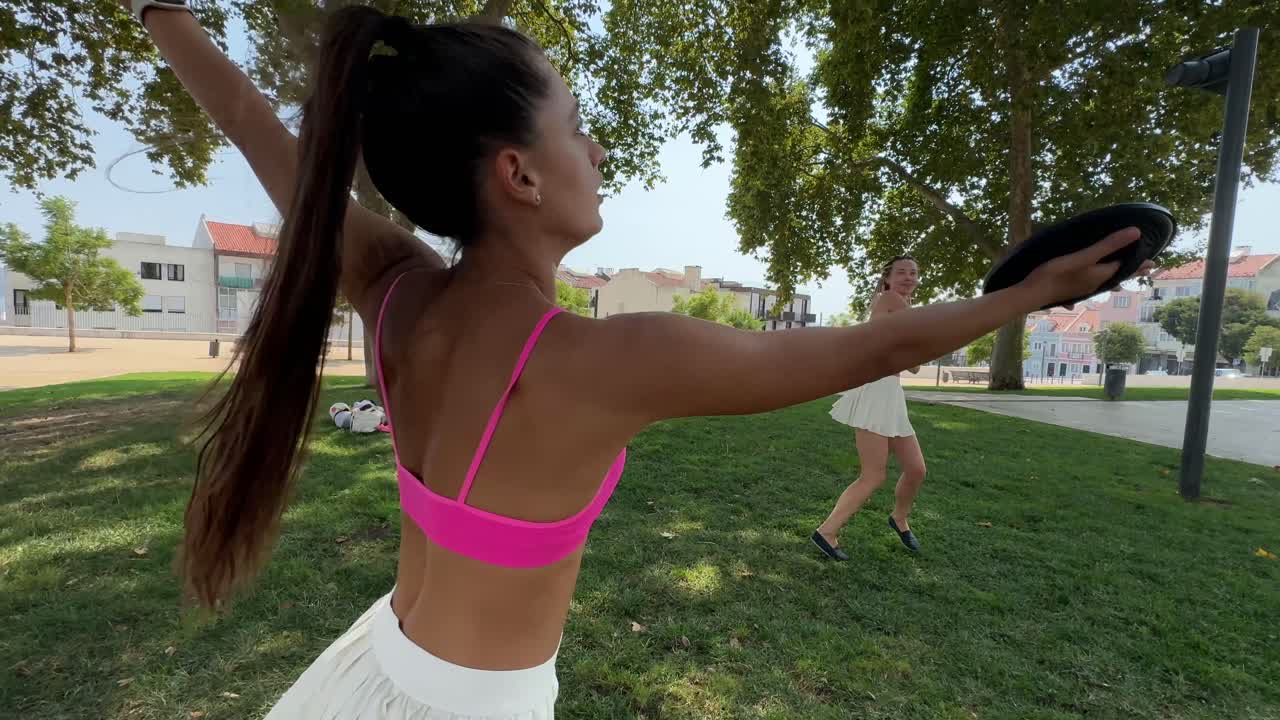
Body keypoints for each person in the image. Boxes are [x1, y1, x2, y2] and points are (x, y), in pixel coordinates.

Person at [125, 1, 1151, 716]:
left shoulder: (392, 291)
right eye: (579, 128)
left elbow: (249, 124)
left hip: (381, 663)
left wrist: (159, 13)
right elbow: (866, 346)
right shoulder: (596, 360)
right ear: (518, 173)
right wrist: (1026, 295)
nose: (600, 152)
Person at [812, 256, 927, 561]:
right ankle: (827, 531)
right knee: (873, 475)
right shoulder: (889, 299)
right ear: (887, 278)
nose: (908, 277)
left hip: (891, 394)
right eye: (901, 272)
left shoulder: (901, 311)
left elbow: (915, 365)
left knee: (916, 469)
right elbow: (921, 344)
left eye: (913, 273)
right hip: (876, 392)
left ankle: (899, 518)